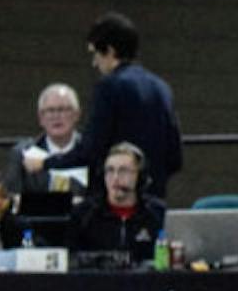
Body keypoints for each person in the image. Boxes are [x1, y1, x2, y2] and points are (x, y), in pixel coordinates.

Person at [70, 12, 183, 200]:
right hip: (153, 200)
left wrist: (49, 162)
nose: (94, 63)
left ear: (110, 51)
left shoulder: (109, 87)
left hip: (113, 203)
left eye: (96, 53)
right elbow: (175, 157)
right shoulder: (162, 88)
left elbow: (91, 148)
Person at [66, 143, 166, 266]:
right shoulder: (84, 214)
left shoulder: (157, 213)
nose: (115, 177)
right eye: (110, 170)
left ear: (140, 176)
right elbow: (70, 259)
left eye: (123, 171)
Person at [3, 83, 84, 196]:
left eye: (63, 109)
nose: (56, 116)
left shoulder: (92, 149)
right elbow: (12, 196)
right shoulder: (22, 153)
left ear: (77, 115)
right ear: (40, 118)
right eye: (50, 110)